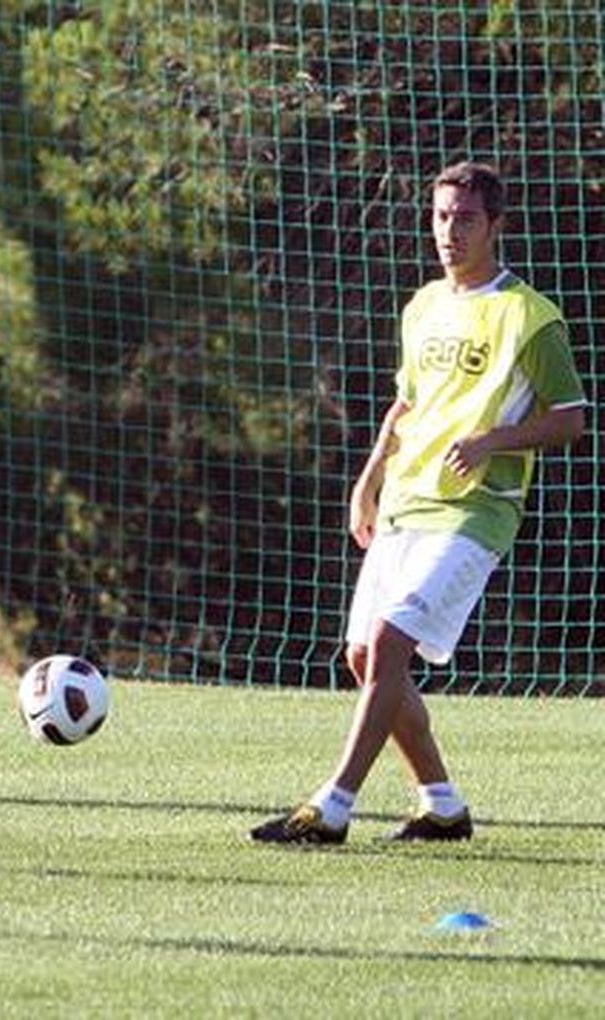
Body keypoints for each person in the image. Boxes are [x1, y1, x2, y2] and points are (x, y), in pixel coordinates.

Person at [251, 162, 587, 845]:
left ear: (495, 225)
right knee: (361, 657)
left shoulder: (530, 316)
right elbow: (406, 404)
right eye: (440, 216)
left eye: (464, 218)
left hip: (475, 510)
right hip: (407, 498)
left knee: (388, 642)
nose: (448, 232)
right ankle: (441, 805)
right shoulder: (423, 305)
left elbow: (573, 417)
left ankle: (333, 805)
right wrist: (370, 476)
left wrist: (496, 439)